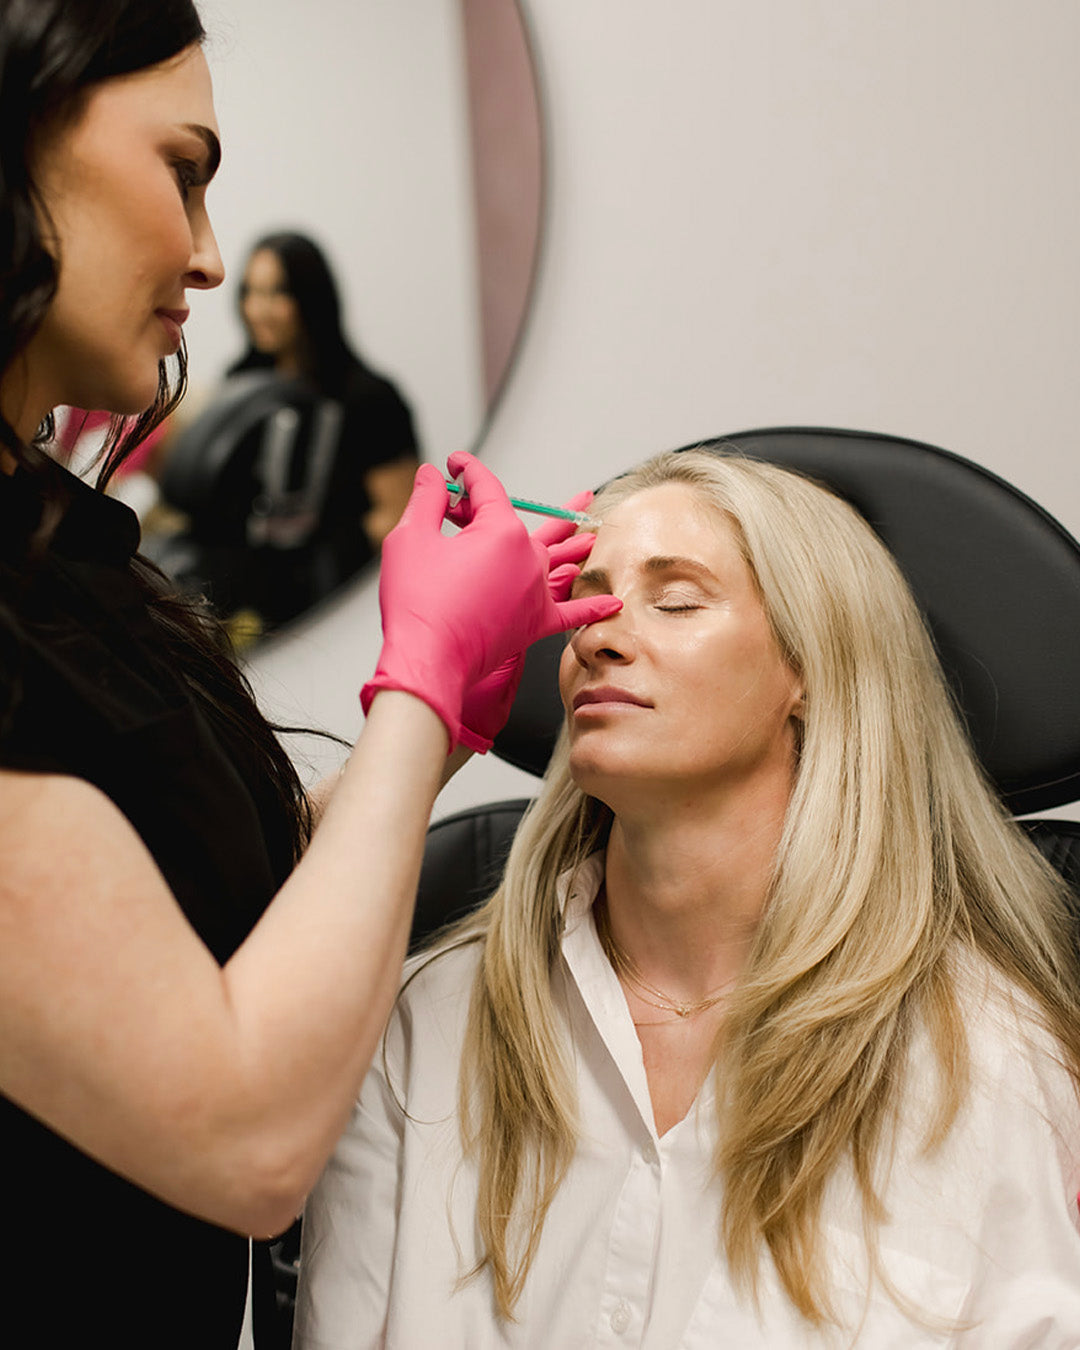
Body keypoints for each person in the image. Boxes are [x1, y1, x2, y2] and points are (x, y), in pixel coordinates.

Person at [0, 2, 619, 1345]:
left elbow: (253, 923)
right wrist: (419, 676)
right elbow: (247, 1134)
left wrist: (444, 709)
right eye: (183, 169)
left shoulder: (68, 560)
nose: (215, 259)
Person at [293, 448, 1080, 1347]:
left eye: (676, 601)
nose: (598, 635)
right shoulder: (427, 1022)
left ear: (813, 671)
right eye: (585, 601)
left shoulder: (982, 1062)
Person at [149, 230, 420, 630]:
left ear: (311, 299)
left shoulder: (368, 398)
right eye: (250, 292)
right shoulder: (239, 385)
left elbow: (396, 522)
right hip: (247, 614)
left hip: (336, 609)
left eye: (277, 293)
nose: (259, 309)